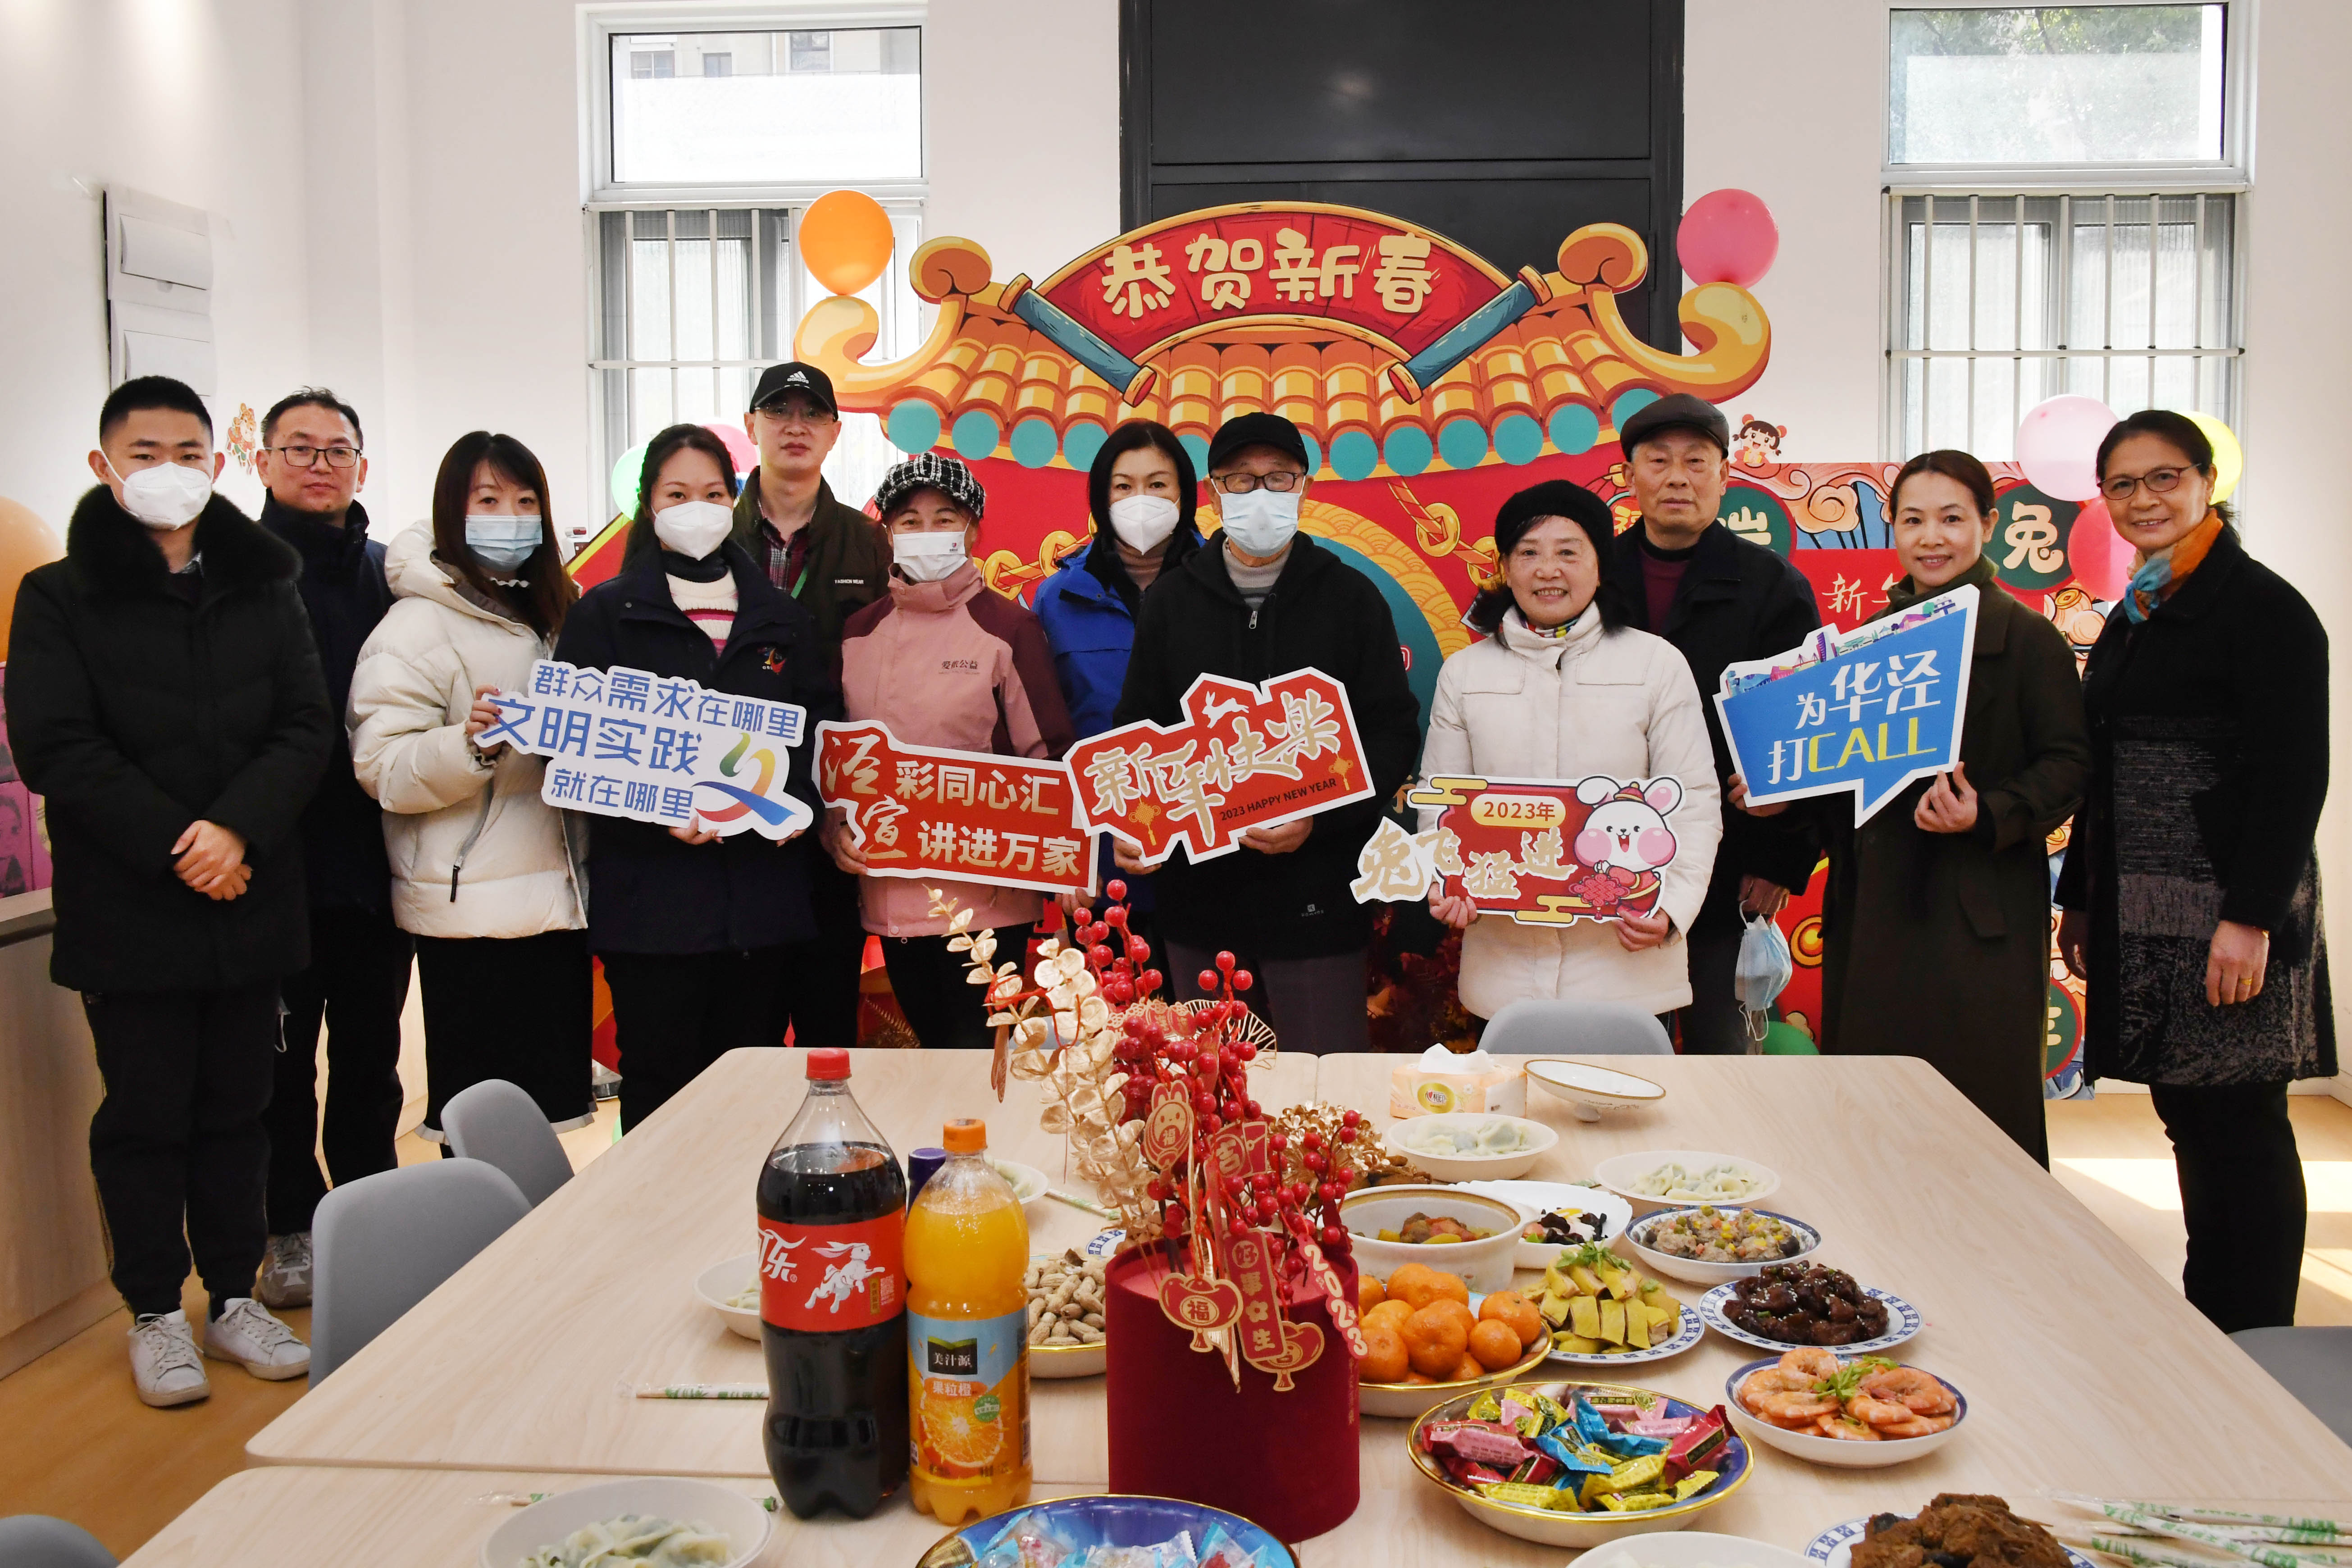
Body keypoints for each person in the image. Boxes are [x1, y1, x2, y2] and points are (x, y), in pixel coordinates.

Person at [8, 374, 329, 1404]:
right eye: (144, 454)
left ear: (218, 464)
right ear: (103, 467)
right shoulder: (57, 596)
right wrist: (180, 841)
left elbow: (305, 726)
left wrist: (235, 830)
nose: (168, 472)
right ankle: (153, 1312)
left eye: (188, 453)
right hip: (131, 908)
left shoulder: (265, 584)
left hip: (249, 897)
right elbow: (56, 743)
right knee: (145, 1118)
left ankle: (232, 1297)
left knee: (241, 1111)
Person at [2055, 410, 2332, 1331]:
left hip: (2228, 914)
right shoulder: (2140, 611)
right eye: (2123, 484)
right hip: (2147, 912)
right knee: (2191, 1119)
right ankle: (2211, 1321)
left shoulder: (2264, 608)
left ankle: (2256, 1337)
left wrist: (2250, 917)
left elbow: (2295, 777)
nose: (2145, 499)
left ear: (2207, 481)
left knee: (2243, 1127)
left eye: (2164, 477)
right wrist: (2081, 898)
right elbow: (2104, 769)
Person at [1738, 451, 2088, 1163]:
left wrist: (1986, 812)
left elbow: (2070, 765)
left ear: (1988, 524)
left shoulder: (2028, 639)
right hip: (1876, 910)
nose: (1932, 538)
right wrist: (1782, 800)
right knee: (1875, 1111)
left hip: (1979, 915)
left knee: (1982, 1117)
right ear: (1893, 528)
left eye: (1952, 519)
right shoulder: (1867, 643)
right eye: (1914, 520)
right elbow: (1840, 780)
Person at [1112, 412, 1422, 1054]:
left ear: (1304, 487)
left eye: (1279, 478)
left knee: (1324, 1082)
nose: (1261, 494)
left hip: (1317, 897)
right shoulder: (1171, 601)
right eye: (1241, 479)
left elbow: (1392, 733)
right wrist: (1134, 820)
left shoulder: (1351, 598)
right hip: (1199, 898)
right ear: (1214, 492)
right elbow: (1137, 729)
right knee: (1212, 1082)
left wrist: (1321, 818)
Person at [556, 425, 837, 1127]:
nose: (697, 510)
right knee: (661, 1093)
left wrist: (797, 804)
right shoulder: (605, 615)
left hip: (761, 908)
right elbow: (571, 750)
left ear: (734, 500)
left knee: (753, 1093)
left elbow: (818, 738)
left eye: (713, 494)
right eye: (677, 494)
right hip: (652, 911)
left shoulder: (782, 620)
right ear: (648, 504)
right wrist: (653, 809)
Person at [348, 432, 591, 1145]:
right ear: (452, 510)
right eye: (488, 500)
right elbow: (383, 766)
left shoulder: (563, 612)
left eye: (525, 501)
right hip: (470, 913)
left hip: (562, 907)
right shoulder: (414, 625)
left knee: (552, 1122)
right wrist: (469, 744)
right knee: (480, 1130)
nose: (509, 518)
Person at [1421, 482, 1720, 1022]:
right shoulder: (1464, 674)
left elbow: (1694, 799)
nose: (1547, 570)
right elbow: (1441, 801)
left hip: (1627, 970)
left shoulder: (1657, 665)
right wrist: (1446, 883)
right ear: (1505, 568)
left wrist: (1672, 908)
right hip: (1504, 976)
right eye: (1528, 553)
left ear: (1600, 566)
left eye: (1568, 552)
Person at [823, 453, 1075, 1048]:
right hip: (889, 892)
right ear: (888, 532)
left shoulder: (1007, 629)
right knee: (931, 1060)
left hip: (988, 899)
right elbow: (838, 758)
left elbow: (1049, 758)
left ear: (973, 530)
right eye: (910, 521)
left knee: (980, 1066)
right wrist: (835, 826)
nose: (926, 532)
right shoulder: (858, 633)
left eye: (944, 518)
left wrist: (1064, 862)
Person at [247, 387, 408, 1311]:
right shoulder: (231, 576)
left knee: (370, 1062)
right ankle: (289, 1229)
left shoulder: (392, 577)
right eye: (299, 448)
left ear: (361, 466)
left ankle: (372, 1217)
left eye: (336, 449)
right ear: (264, 462)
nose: (319, 464)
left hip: (374, 864)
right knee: (279, 1071)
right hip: (269, 869)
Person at [1601, 394, 1823, 1053]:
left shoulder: (1772, 586)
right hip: (1605, 856)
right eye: (1659, 462)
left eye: (1696, 462)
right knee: (1616, 1046)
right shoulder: (1592, 578)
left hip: (1727, 863)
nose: (1678, 478)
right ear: (1630, 477)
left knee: (1717, 1053)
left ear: (1725, 476)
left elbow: (1803, 731)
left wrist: (1779, 859)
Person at [729, 361, 892, 1048]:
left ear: (834, 432)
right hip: (732, 802)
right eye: (778, 412)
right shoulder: (713, 533)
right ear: (752, 426)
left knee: (829, 1015)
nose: (795, 427)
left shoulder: (867, 540)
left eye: (812, 414)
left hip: (831, 806)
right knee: (745, 1025)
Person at [1030, 419, 1205, 942]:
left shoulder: (1222, 587)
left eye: (1158, 484)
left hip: (1209, 851)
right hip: (1098, 862)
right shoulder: (1056, 599)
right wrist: (1062, 854)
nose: (1140, 500)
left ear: (1185, 494)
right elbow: (1040, 737)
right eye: (1124, 486)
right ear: (1100, 498)